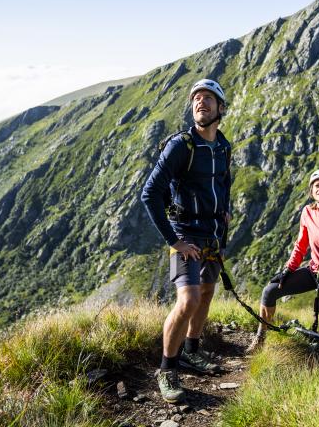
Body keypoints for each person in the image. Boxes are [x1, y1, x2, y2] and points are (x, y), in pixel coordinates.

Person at [141, 78, 232, 403]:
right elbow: (150, 194)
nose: (201, 103)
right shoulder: (181, 146)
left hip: (211, 235)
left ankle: (192, 350)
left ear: (221, 108)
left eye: (208, 98)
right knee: (188, 300)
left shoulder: (222, 145)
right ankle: (167, 369)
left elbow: (224, 184)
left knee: (207, 292)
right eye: (196, 99)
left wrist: (225, 214)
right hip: (185, 234)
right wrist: (174, 241)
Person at [246, 169, 319, 363]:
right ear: (311, 190)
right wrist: (287, 270)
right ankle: (261, 337)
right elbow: (300, 246)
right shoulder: (307, 212)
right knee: (270, 291)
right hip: (316, 270)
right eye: (317, 185)